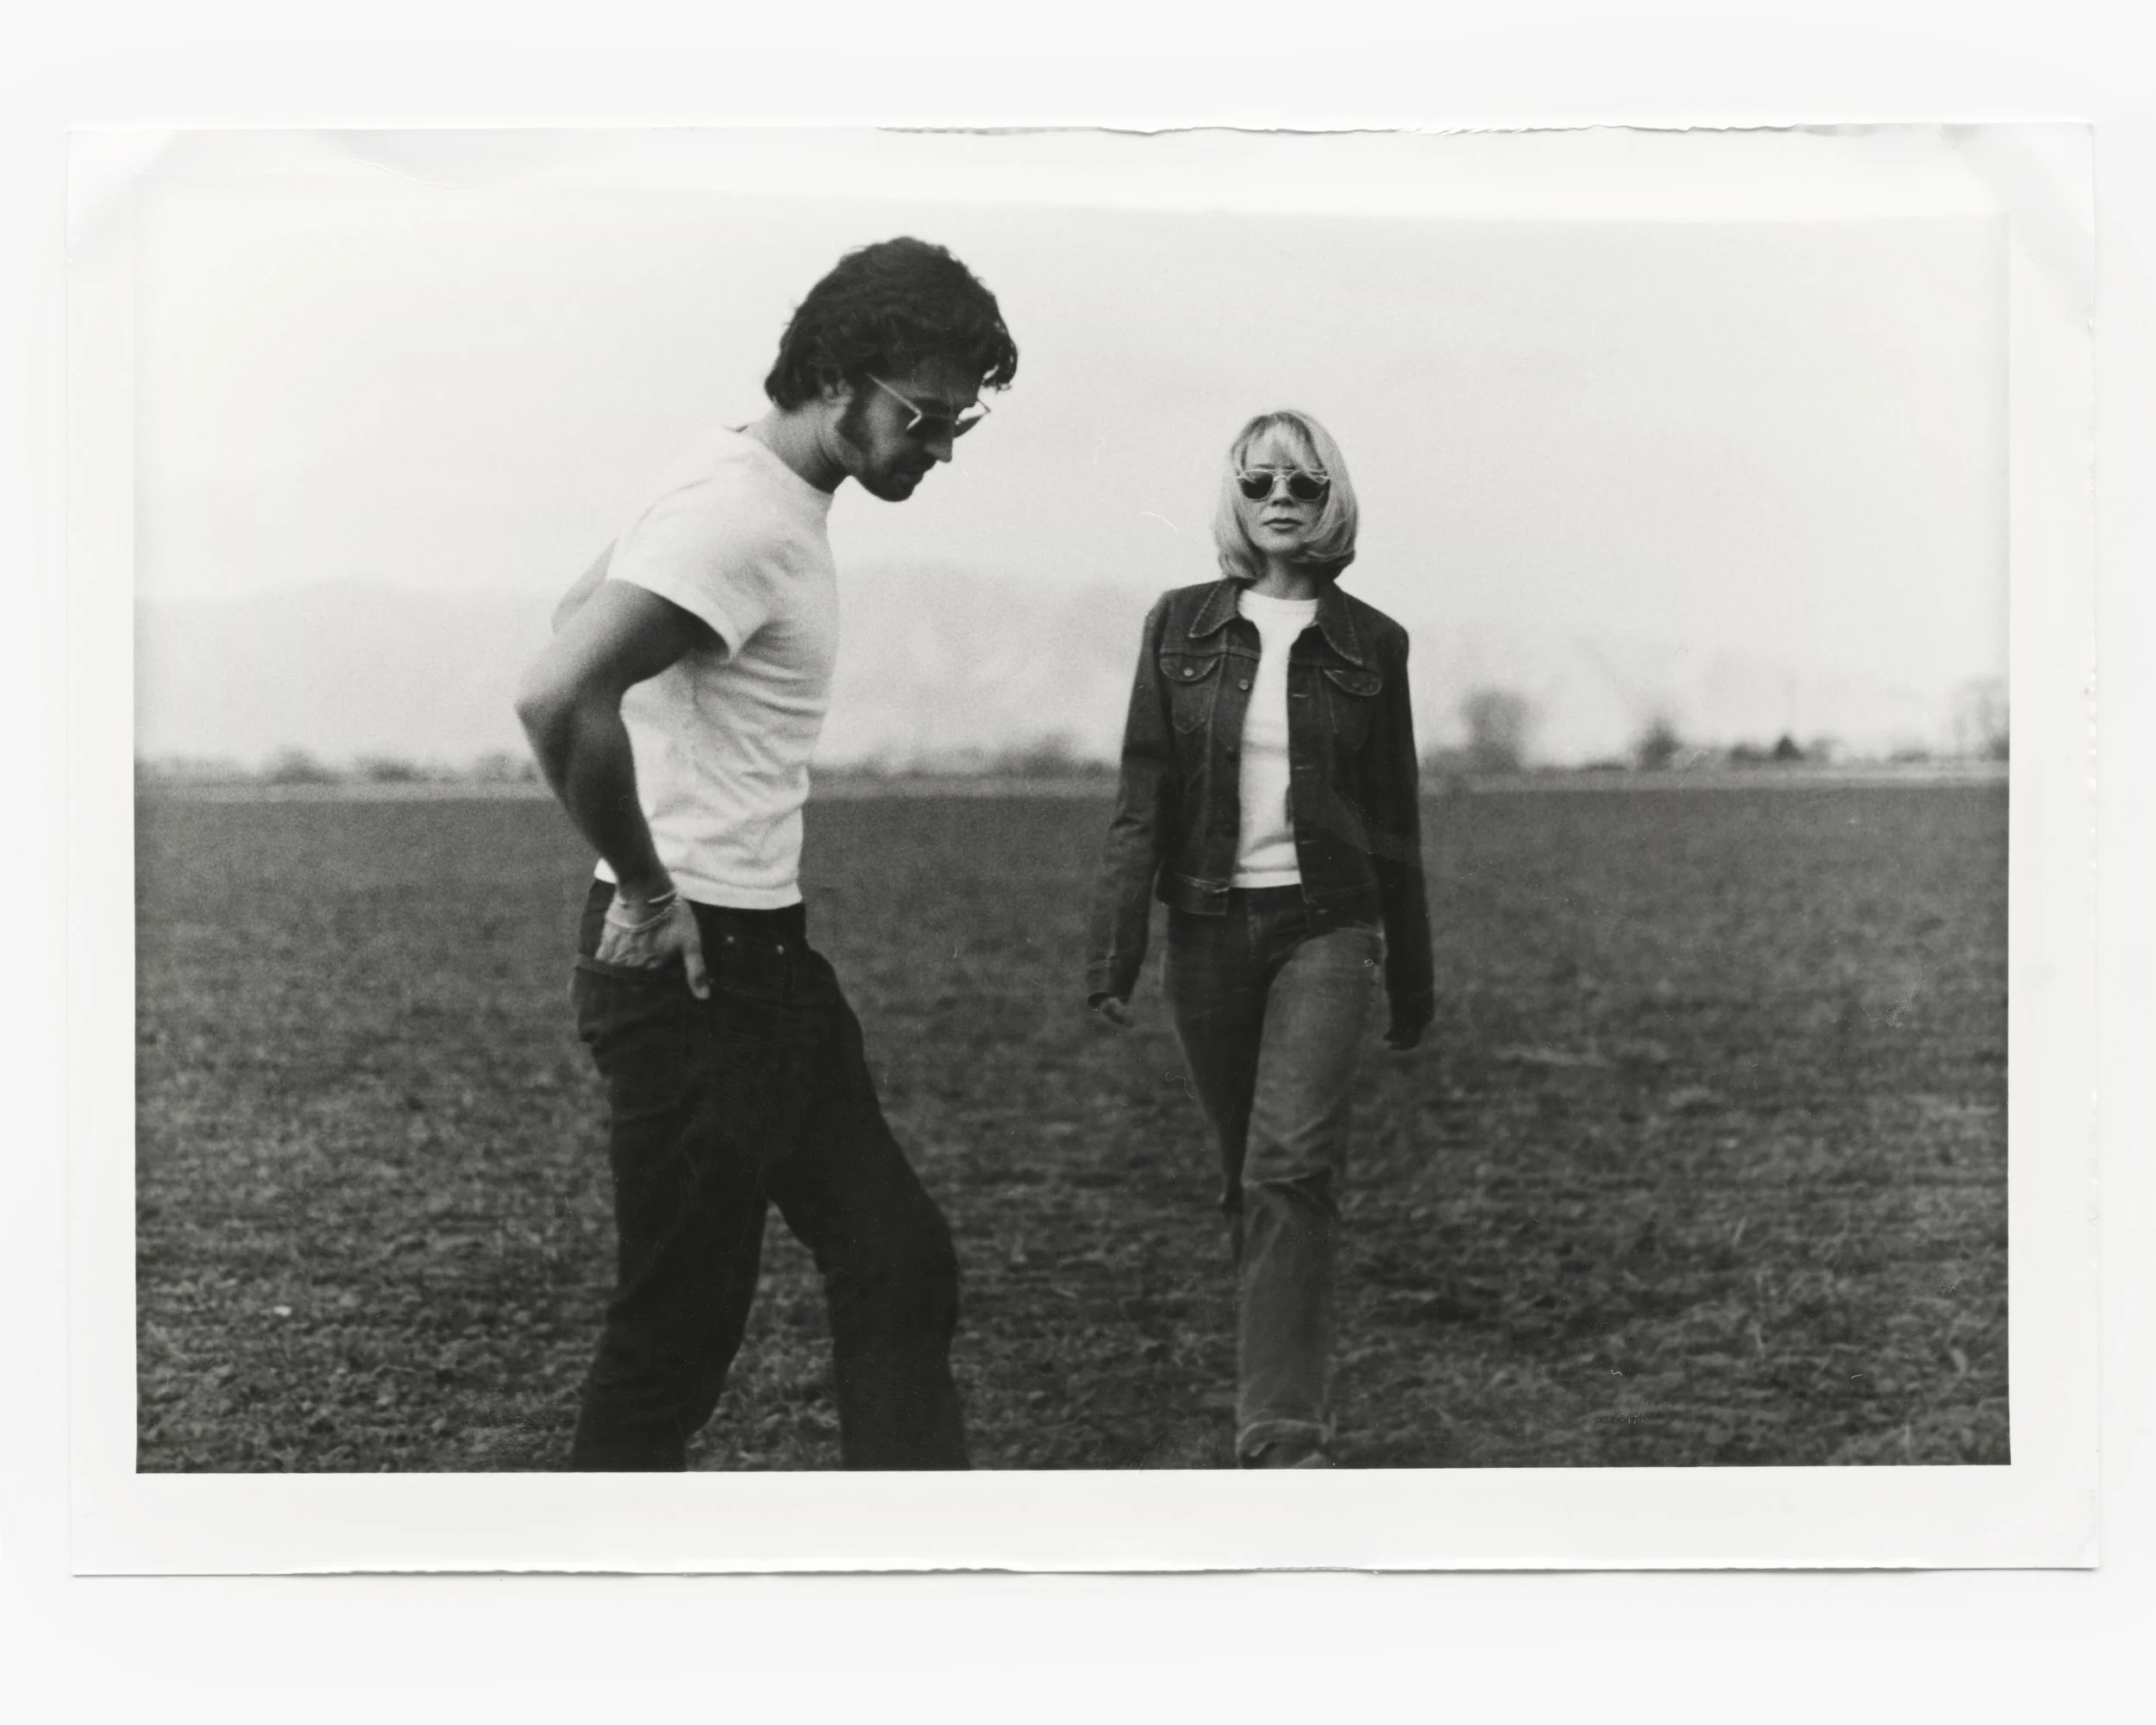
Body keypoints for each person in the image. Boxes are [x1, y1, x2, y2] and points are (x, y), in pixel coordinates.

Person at [516, 237, 1018, 1470]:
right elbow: (557, 689)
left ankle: (917, 1562)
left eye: (961, 422)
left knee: (896, 1259)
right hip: (692, 971)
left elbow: (577, 615)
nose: (942, 448)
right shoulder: (741, 517)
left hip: (767, 961)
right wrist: (649, 887)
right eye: (924, 416)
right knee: (674, 1341)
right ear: (837, 376)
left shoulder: (734, 479)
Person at [1085, 409, 1432, 1469]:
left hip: (1328, 928)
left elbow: (1396, 817)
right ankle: (1274, 1366)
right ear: (1234, 497)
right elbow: (1141, 796)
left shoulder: (1374, 642)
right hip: (1206, 931)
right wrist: (1114, 949)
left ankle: (1280, 1431)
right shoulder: (1177, 624)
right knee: (1249, 1175)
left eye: (1303, 482)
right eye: (1259, 480)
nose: (1281, 497)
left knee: (1289, 1167)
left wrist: (1412, 975)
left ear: (1333, 500)